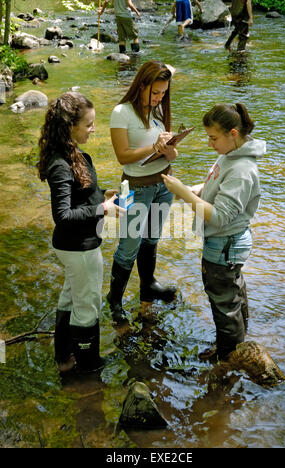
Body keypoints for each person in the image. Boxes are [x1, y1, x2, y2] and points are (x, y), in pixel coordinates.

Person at [162, 103, 266, 361]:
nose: (210, 143)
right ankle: (240, 348)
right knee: (233, 293)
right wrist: (198, 189)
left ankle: (227, 358)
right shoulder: (231, 154)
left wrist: (184, 194)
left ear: (233, 133)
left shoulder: (241, 169)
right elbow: (217, 185)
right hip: (229, 243)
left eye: (213, 138)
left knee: (223, 303)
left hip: (224, 245)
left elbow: (220, 217)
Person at [37, 91, 124, 374]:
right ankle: (88, 367)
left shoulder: (70, 152)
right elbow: (62, 215)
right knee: (87, 307)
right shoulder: (60, 164)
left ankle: (64, 359)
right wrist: (103, 209)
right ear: (69, 126)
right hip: (79, 247)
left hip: (74, 246)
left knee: (70, 298)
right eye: (88, 124)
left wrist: (105, 195)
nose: (93, 128)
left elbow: (80, 194)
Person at [108, 60, 178, 323]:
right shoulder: (121, 112)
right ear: (141, 85)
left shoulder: (158, 111)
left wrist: (171, 150)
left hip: (163, 184)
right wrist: (154, 148)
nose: (159, 98)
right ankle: (114, 299)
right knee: (128, 246)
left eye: (163, 93)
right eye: (155, 92)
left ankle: (148, 287)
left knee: (151, 239)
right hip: (135, 187)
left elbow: (170, 151)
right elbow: (122, 156)